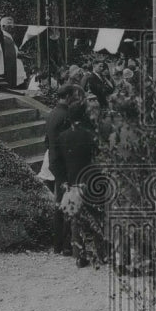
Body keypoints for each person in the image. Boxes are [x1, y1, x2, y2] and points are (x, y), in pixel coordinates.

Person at [51, 103, 98, 267]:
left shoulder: (62, 137)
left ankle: (79, 255)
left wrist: (63, 181)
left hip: (71, 183)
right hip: (90, 182)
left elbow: (55, 162)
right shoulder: (91, 136)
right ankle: (98, 253)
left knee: (75, 219)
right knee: (94, 218)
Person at [43, 85, 77, 253]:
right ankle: (65, 245)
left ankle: (58, 244)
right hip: (64, 164)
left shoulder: (52, 114)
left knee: (59, 202)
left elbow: (46, 141)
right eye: (74, 95)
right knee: (67, 203)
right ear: (69, 96)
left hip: (54, 162)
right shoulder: (66, 115)